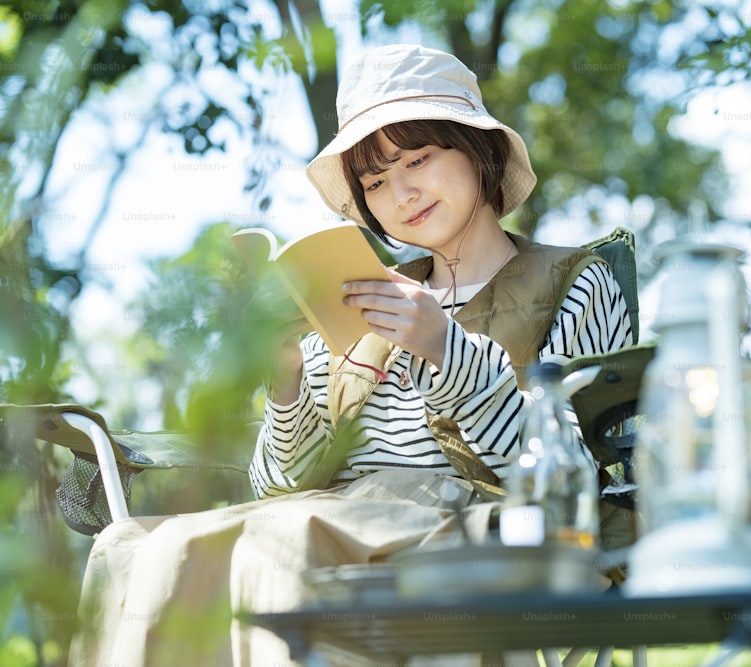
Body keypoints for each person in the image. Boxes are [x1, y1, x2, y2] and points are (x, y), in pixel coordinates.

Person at [70, 43, 633, 666]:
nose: (401, 192)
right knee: (135, 549)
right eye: (375, 180)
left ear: (480, 151)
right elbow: (279, 483)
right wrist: (284, 384)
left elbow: (567, 474)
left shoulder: (573, 283)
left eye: (417, 157)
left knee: (279, 545)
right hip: (333, 516)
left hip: (480, 527)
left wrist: (446, 352)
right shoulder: (355, 292)